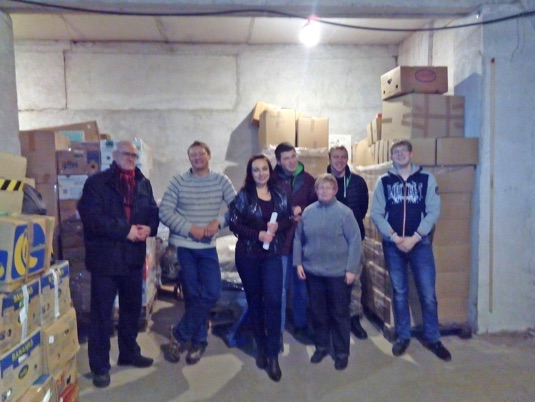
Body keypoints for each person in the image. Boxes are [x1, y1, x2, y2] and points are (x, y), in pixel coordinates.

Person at [78, 140, 159, 389]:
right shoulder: (97, 183)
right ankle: (100, 366)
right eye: (126, 154)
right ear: (114, 155)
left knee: (131, 310)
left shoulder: (143, 183)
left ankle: (128, 352)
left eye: (134, 155)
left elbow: (153, 212)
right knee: (102, 316)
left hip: (133, 258)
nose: (131, 158)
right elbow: (92, 219)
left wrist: (150, 228)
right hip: (106, 260)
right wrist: (126, 230)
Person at [371, 140, 451, 361]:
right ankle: (403, 336)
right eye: (395, 152)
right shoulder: (384, 181)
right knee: (399, 292)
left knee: (427, 293)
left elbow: (433, 211)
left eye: (403, 151)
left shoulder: (426, 179)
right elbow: (376, 213)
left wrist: (415, 237)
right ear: (391, 156)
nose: (400, 155)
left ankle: (433, 338)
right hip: (393, 244)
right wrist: (395, 237)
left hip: (420, 244)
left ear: (411, 154)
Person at [159, 140, 236, 365]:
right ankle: (199, 342)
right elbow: (165, 211)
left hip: (208, 247)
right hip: (184, 247)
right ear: (189, 158)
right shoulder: (178, 181)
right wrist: (189, 228)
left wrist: (219, 222)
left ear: (209, 155)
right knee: (192, 295)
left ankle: (180, 333)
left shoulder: (221, 181)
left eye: (201, 154)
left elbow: (237, 207)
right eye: (193, 155)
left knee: (211, 292)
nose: (197, 158)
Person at [229, 154, 293, 382]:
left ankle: (273, 353)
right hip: (248, 256)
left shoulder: (280, 194)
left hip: (272, 255)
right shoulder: (244, 196)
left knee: (274, 301)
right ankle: (261, 347)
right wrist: (258, 234)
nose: (261, 173)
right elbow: (234, 223)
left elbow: (288, 220)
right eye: (256, 170)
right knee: (255, 301)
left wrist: (278, 227)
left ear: (269, 170)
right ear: (250, 173)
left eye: (264, 169)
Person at [294, 173, 361, 371]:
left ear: (335, 190)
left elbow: (355, 241)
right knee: (318, 313)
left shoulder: (345, 213)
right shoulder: (308, 212)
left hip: (337, 274)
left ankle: (341, 352)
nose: (324, 191)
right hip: (313, 273)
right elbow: (298, 238)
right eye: (320, 187)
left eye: (328, 187)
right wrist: (298, 263)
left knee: (339, 314)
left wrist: (351, 269)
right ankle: (322, 346)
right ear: (316, 190)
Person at [273, 142, 317, 340]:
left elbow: (317, 203)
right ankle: (278, 329)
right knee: (280, 289)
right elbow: (267, 207)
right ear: (278, 161)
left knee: (301, 287)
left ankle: (300, 324)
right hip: (281, 242)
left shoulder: (307, 179)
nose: (291, 161)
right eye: (286, 158)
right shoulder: (272, 180)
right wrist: (290, 213)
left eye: (293, 156)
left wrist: (303, 211)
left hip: (302, 242)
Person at [327, 145, 369, 339]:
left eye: (343, 157)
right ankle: (333, 319)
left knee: (354, 281)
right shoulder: (322, 182)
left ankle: (354, 319)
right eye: (336, 157)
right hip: (329, 242)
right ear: (329, 159)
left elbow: (363, 208)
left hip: (354, 240)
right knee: (331, 281)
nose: (339, 160)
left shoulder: (358, 182)